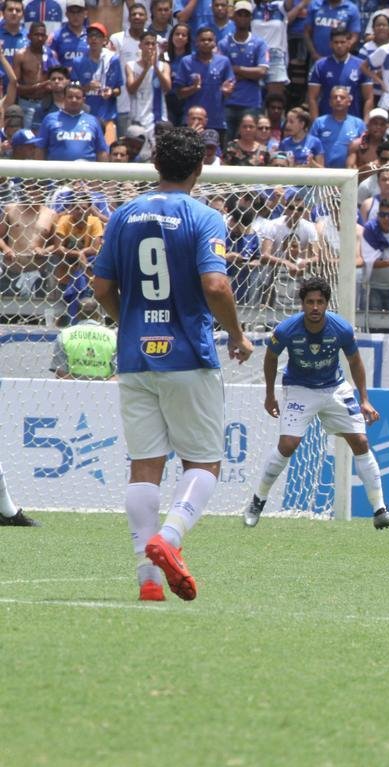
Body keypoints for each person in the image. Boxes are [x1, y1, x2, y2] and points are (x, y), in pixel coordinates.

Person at [91, 126, 255, 603]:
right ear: (200, 167)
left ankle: (148, 580)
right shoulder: (204, 217)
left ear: (155, 165)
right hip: (187, 355)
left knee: (144, 466)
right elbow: (216, 285)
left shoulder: (123, 215)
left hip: (135, 357)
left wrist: (131, 324)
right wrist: (237, 334)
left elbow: (101, 288)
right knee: (203, 462)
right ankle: (170, 537)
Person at [243, 277, 389, 531]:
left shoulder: (341, 329)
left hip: (335, 387)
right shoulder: (286, 330)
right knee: (288, 444)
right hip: (300, 388)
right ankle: (257, 501)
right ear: (302, 304)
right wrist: (270, 394)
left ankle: (380, 511)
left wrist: (364, 399)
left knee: (361, 441)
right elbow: (271, 358)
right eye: (310, 302)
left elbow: (355, 361)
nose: (315, 307)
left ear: (327, 304)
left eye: (320, 302)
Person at [49, 297, 116, 379]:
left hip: (73, 386)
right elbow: (119, 373)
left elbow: (60, 372)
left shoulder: (64, 335)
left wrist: (77, 386)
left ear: (77, 314)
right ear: (98, 314)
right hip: (105, 385)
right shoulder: (112, 336)